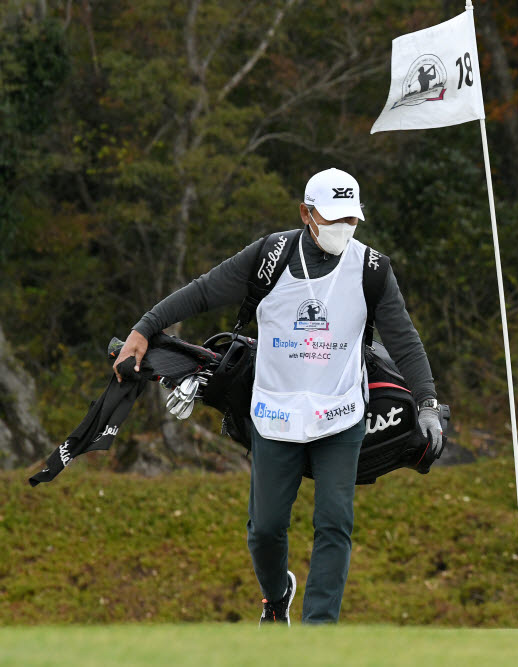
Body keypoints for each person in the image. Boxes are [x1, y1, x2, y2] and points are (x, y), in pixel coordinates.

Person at [113, 168, 442, 626]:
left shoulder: (372, 269)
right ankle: (276, 594)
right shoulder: (269, 257)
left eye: (351, 219)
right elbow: (204, 291)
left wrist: (426, 403)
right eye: (333, 218)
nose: (343, 229)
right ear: (307, 214)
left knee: (334, 522)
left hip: (341, 413)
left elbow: (404, 341)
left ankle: (317, 635)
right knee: (265, 529)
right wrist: (145, 328)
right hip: (273, 412)